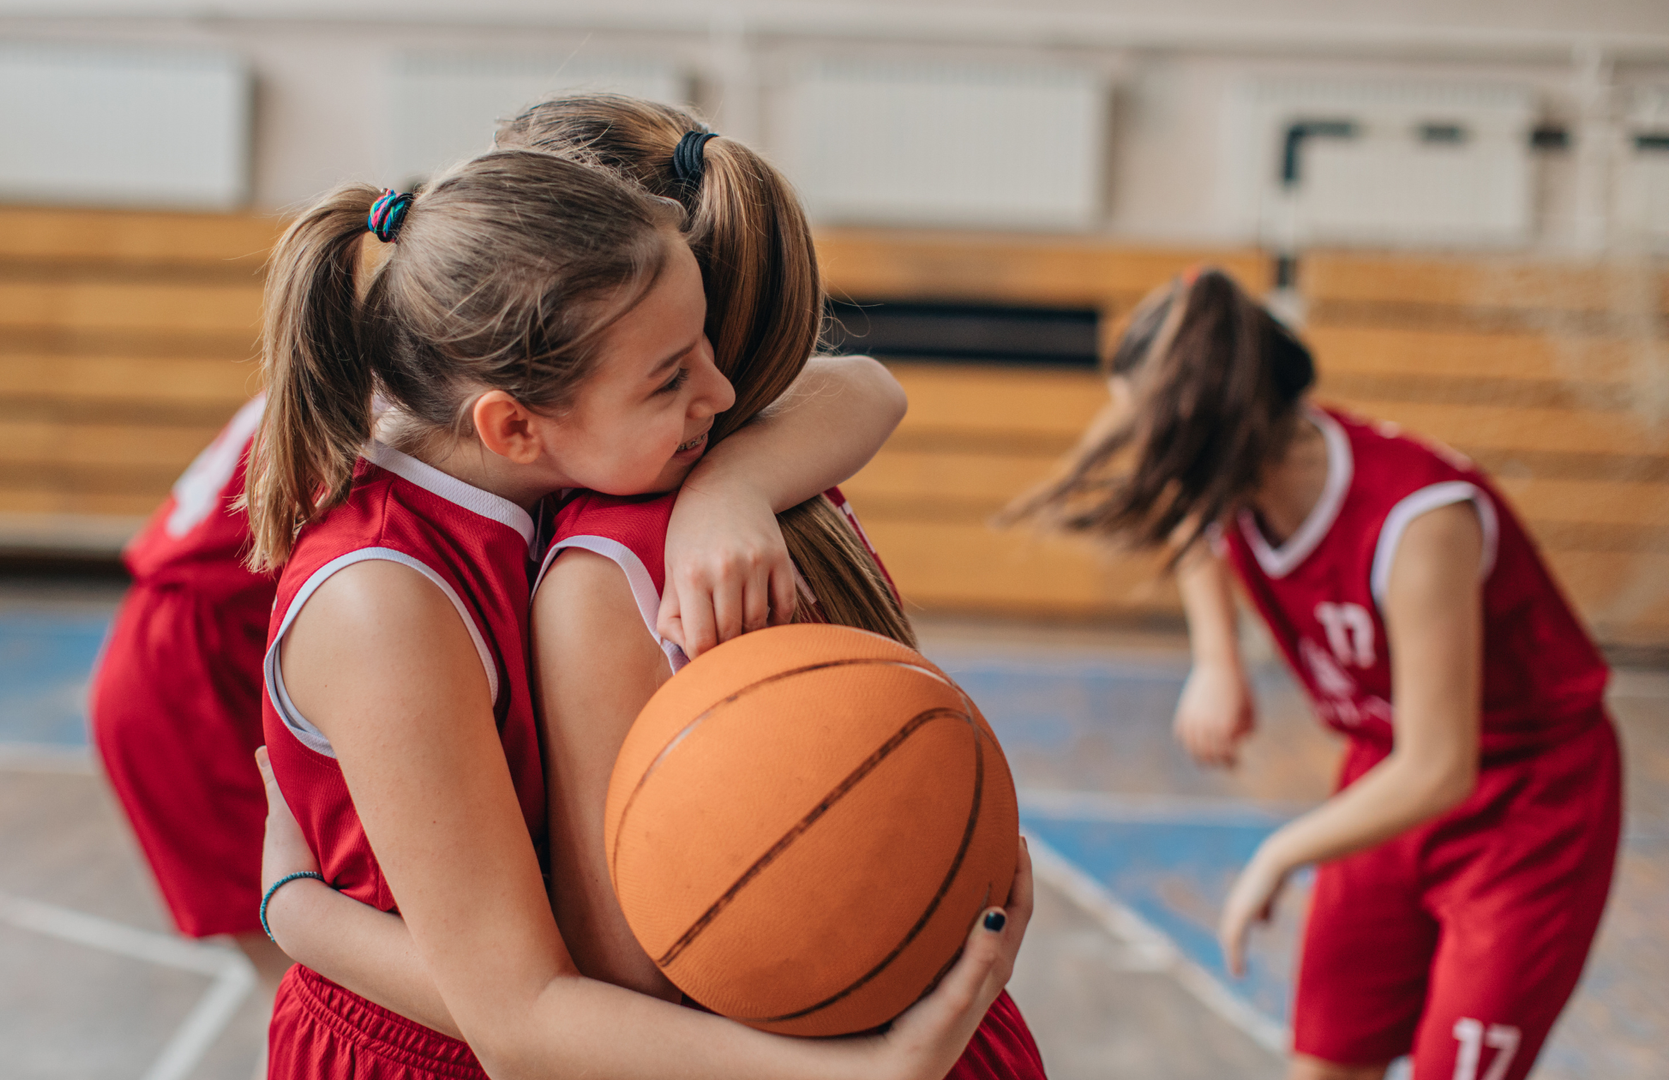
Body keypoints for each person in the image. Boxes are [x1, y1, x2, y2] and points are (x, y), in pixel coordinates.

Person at [261, 95, 1046, 1080]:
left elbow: (862, 385)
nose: (719, 399)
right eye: (672, 375)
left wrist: (299, 907)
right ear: (514, 424)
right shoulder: (390, 597)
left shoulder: (592, 473)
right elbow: (521, 1017)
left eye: (707, 354)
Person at [1014, 267, 1621, 1080]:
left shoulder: (1419, 524)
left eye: (1147, 434)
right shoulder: (1236, 477)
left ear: (1215, 432)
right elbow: (1198, 527)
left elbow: (1442, 769)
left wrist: (1281, 853)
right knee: (1327, 1064)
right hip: (1384, 770)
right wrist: (1216, 661)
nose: (1138, 458)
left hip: (1527, 803)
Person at [88, 393, 290, 985]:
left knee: (300, 993)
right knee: (301, 992)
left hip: (169, 652)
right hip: (186, 680)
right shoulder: (391, 393)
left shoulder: (324, 365)